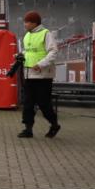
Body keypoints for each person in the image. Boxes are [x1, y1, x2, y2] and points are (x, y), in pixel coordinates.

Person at [18, 10, 61, 139]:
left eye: (27, 22)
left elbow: (53, 51)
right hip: (29, 74)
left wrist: (41, 64)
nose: (25, 24)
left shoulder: (46, 34)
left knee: (44, 103)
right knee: (28, 103)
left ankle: (54, 124)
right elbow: (29, 52)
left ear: (34, 23)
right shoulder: (27, 35)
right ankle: (28, 129)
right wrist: (21, 56)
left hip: (43, 76)